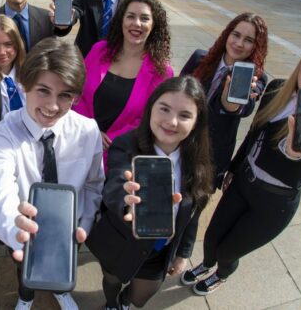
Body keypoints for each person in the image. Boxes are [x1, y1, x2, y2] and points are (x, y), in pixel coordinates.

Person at [182, 39, 301, 295]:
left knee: (229, 250)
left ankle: (222, 273)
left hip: (275, 203)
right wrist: (233, 168)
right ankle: (206, 263)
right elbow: (252, 134)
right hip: (243, 182)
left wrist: (295, 151)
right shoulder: (277, 88)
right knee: (213, 237)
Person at [0, 37, 105, 310]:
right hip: (24, 230)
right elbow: (0, 192)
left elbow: (94, 183)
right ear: (24, 86)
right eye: (43, 91)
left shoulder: (87, 130)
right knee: (24, 269)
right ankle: (26, 298)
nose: (52, 106)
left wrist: (84, 223)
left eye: (65, 95)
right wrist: (15, 227)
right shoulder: (2, 135)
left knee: (61, 265)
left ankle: (59, 291)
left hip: (69, 230)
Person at [82, 75, 215, 309]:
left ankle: (123, 303)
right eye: (164, 109)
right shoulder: (127, 144)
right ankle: (112, 304)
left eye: (184, 115)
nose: (172, 122)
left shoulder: (198, 163)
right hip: (120, 242)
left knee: (138, 299)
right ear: (151, 108)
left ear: (197, 122)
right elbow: (114, 183)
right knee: (111, 281)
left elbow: (193, 214)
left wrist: (183, 252)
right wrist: (126, 199)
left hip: (160, 251)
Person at [73, 0, 173, 165]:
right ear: (121, 20)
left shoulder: (162, 71)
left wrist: (107, 140)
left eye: (144, 18)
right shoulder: (99, 50)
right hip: (78, 142)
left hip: (117, 154)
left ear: (154, 25)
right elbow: (77, 90)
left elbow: (148, 118)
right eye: (131, 16)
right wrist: (90, 130)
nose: (136, 23)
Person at [180, 12, 268, 188]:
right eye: (236, 35)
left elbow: (244, 109)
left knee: (194, 206)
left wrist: (230, 101)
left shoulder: (256, 78)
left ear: (256, 47)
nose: (239, 43)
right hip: (181, 140)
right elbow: (177, 90)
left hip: (212, 155)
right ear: (227, 33)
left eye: (249, 40)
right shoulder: (200, 58)